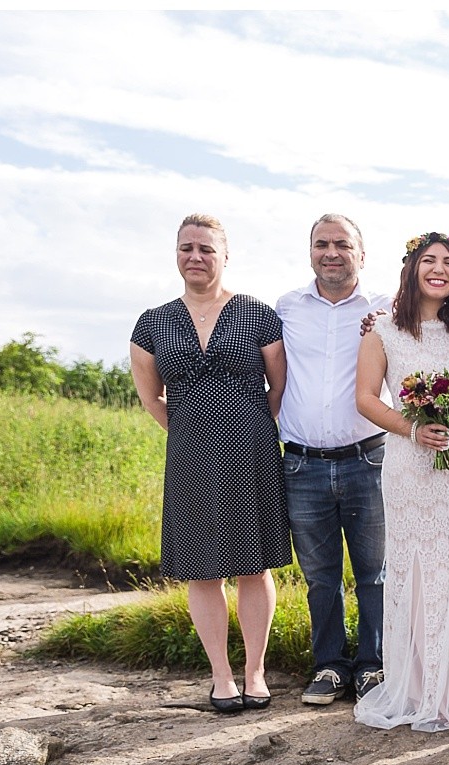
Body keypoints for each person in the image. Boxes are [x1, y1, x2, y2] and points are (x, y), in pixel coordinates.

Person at [128, 213, 291, 713]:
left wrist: (251, 430)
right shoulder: (152, 322)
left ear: (224, 255)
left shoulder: (258, 314)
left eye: (205, 249)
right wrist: (190, 433)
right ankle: (221, 675)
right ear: (176, 254)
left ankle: (256, 671)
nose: (195, 258)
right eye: (186, 249)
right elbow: (152, 397)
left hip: (252, 452)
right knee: (202, 570)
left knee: (254, 565)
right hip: (190, 457)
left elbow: (279, 387)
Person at [352, 232, 449, 733]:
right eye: (428, 260)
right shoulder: (381, 329)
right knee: (414, 570)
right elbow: (366, 398)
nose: (437, 269)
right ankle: (417, 687)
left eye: (448, 262)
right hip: (409, 466)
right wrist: (413, 428)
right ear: (412, 268)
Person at [276, 214, 392, 707]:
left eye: (342, 244)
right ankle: (328, 665)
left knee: (375, 573)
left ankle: (373, 665)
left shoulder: (384, 309)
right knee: (320, 576)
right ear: (310, 253)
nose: (331, 253)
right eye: (321, 244)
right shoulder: (284, 309)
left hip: (368, 459)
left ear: (361, 255)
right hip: (302, 464)